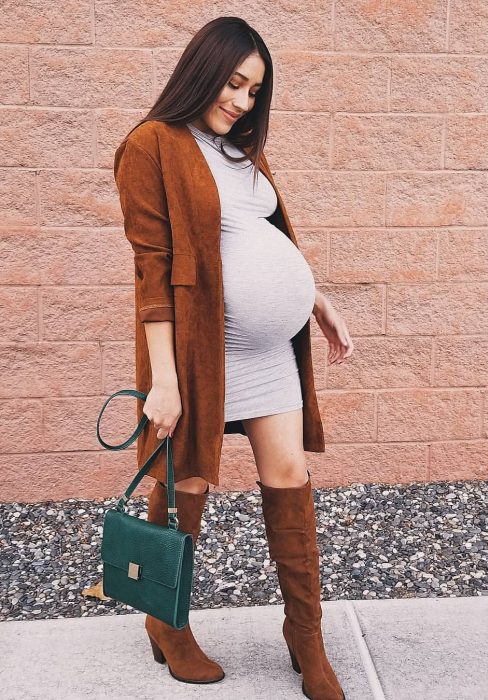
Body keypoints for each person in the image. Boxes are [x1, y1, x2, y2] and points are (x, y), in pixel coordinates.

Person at [113, 16, 353, 700]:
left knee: (289, 472)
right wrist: (164, 380)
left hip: (269, 350)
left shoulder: (241, 149)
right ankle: (167, 622)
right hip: (200, 349)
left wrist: (316, 300)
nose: (244, 101)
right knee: (188, 481)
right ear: (203, 69)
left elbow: (264, 235)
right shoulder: (150, 145)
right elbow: (151, 271)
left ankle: (305, 635)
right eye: (236, 82)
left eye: (255, 90)